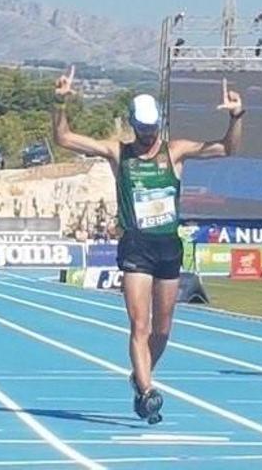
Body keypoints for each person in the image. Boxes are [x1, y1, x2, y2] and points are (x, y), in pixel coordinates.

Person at [51, 66, 244, 424]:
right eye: (141, 130)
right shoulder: (118, 153)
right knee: (140, 326)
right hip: (136, 247)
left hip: (168, 245)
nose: (147, 136)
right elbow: (64, 138)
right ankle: (147, 389)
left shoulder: (176, 151)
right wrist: (59, 103)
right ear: (132, 125)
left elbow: (227, 148)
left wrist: (236, 117)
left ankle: (139, 375)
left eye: (152, 129)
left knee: (163, 329)